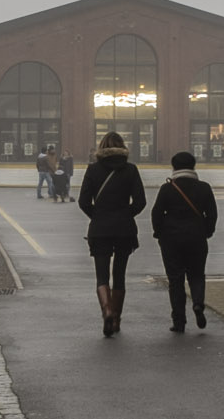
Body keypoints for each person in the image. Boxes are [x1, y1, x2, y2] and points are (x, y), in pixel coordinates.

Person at [78, 132, 146, 337]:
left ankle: (106, 309)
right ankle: (116, 318)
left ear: (101, 148)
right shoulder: (131, 169)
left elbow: (83, 202)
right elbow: (141, 202)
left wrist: (98, 216)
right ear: (123, 147)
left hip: (100, 229)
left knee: (101, 275)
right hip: (124, 229)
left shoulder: (93, 169)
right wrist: (126, 214)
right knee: (120, 274)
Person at [151, 151, 218, 331]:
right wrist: (207, 231)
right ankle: (197, 303)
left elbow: (156, 213)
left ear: (174, 167)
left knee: (175, 279)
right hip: (197, 236)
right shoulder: (204, 187)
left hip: (171, 238)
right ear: (193, 166)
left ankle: (179, 321)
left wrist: (159, 233)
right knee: (197, 274)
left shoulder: (167, 188)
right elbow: (212, 214)